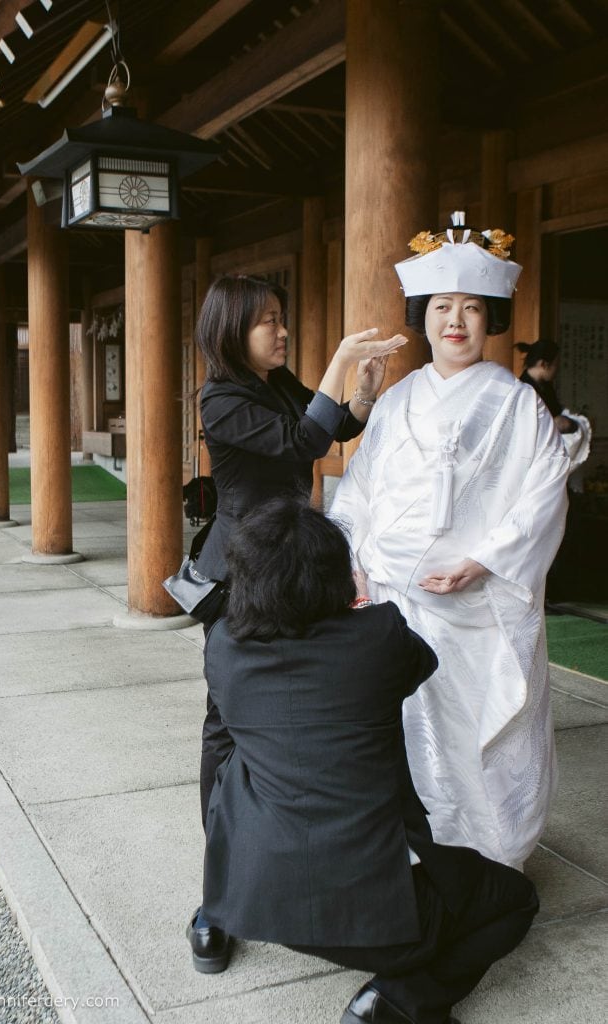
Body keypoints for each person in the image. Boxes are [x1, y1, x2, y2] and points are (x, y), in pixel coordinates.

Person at [199, 497, 539, 1024]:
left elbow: (219, 744)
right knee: (515, 899)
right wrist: (359, 602)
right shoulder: (377, 636)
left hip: (258, 900)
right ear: (336, 575)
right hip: (377, 919)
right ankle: (401, 999)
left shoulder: (222, 647)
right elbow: (421, 662)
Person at [330, 212, 570, 871]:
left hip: (475, 602)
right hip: (394, 594)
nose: (454, 321)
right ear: (423, 314)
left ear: (488, 317)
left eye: (469, 308)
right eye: (441, 307)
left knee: (476, 724)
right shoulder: (401, 396)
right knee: (404, 723)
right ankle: (411, 851)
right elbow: (359, 486)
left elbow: (542, 492)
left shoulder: (518, 405)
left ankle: (491, 854)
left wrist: (480, 561)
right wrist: (350, 560)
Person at [191, 273, 407, 826]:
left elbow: (331, 428)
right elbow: (302, 441)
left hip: (290, 556)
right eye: (269, 321)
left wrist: (363, 389)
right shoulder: (219, 397)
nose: (282, 331)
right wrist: (338, 359)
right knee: (227, 709)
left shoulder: (275, 381)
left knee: (296, 686)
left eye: (281, 319)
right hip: (243, 564)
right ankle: (219, 835)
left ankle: (277, 823)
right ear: (232, 328)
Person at [515, 338, 591, 472]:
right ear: (544, 364)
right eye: (555, 365)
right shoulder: (523, 390)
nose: (557, 369)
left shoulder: (546, 387)